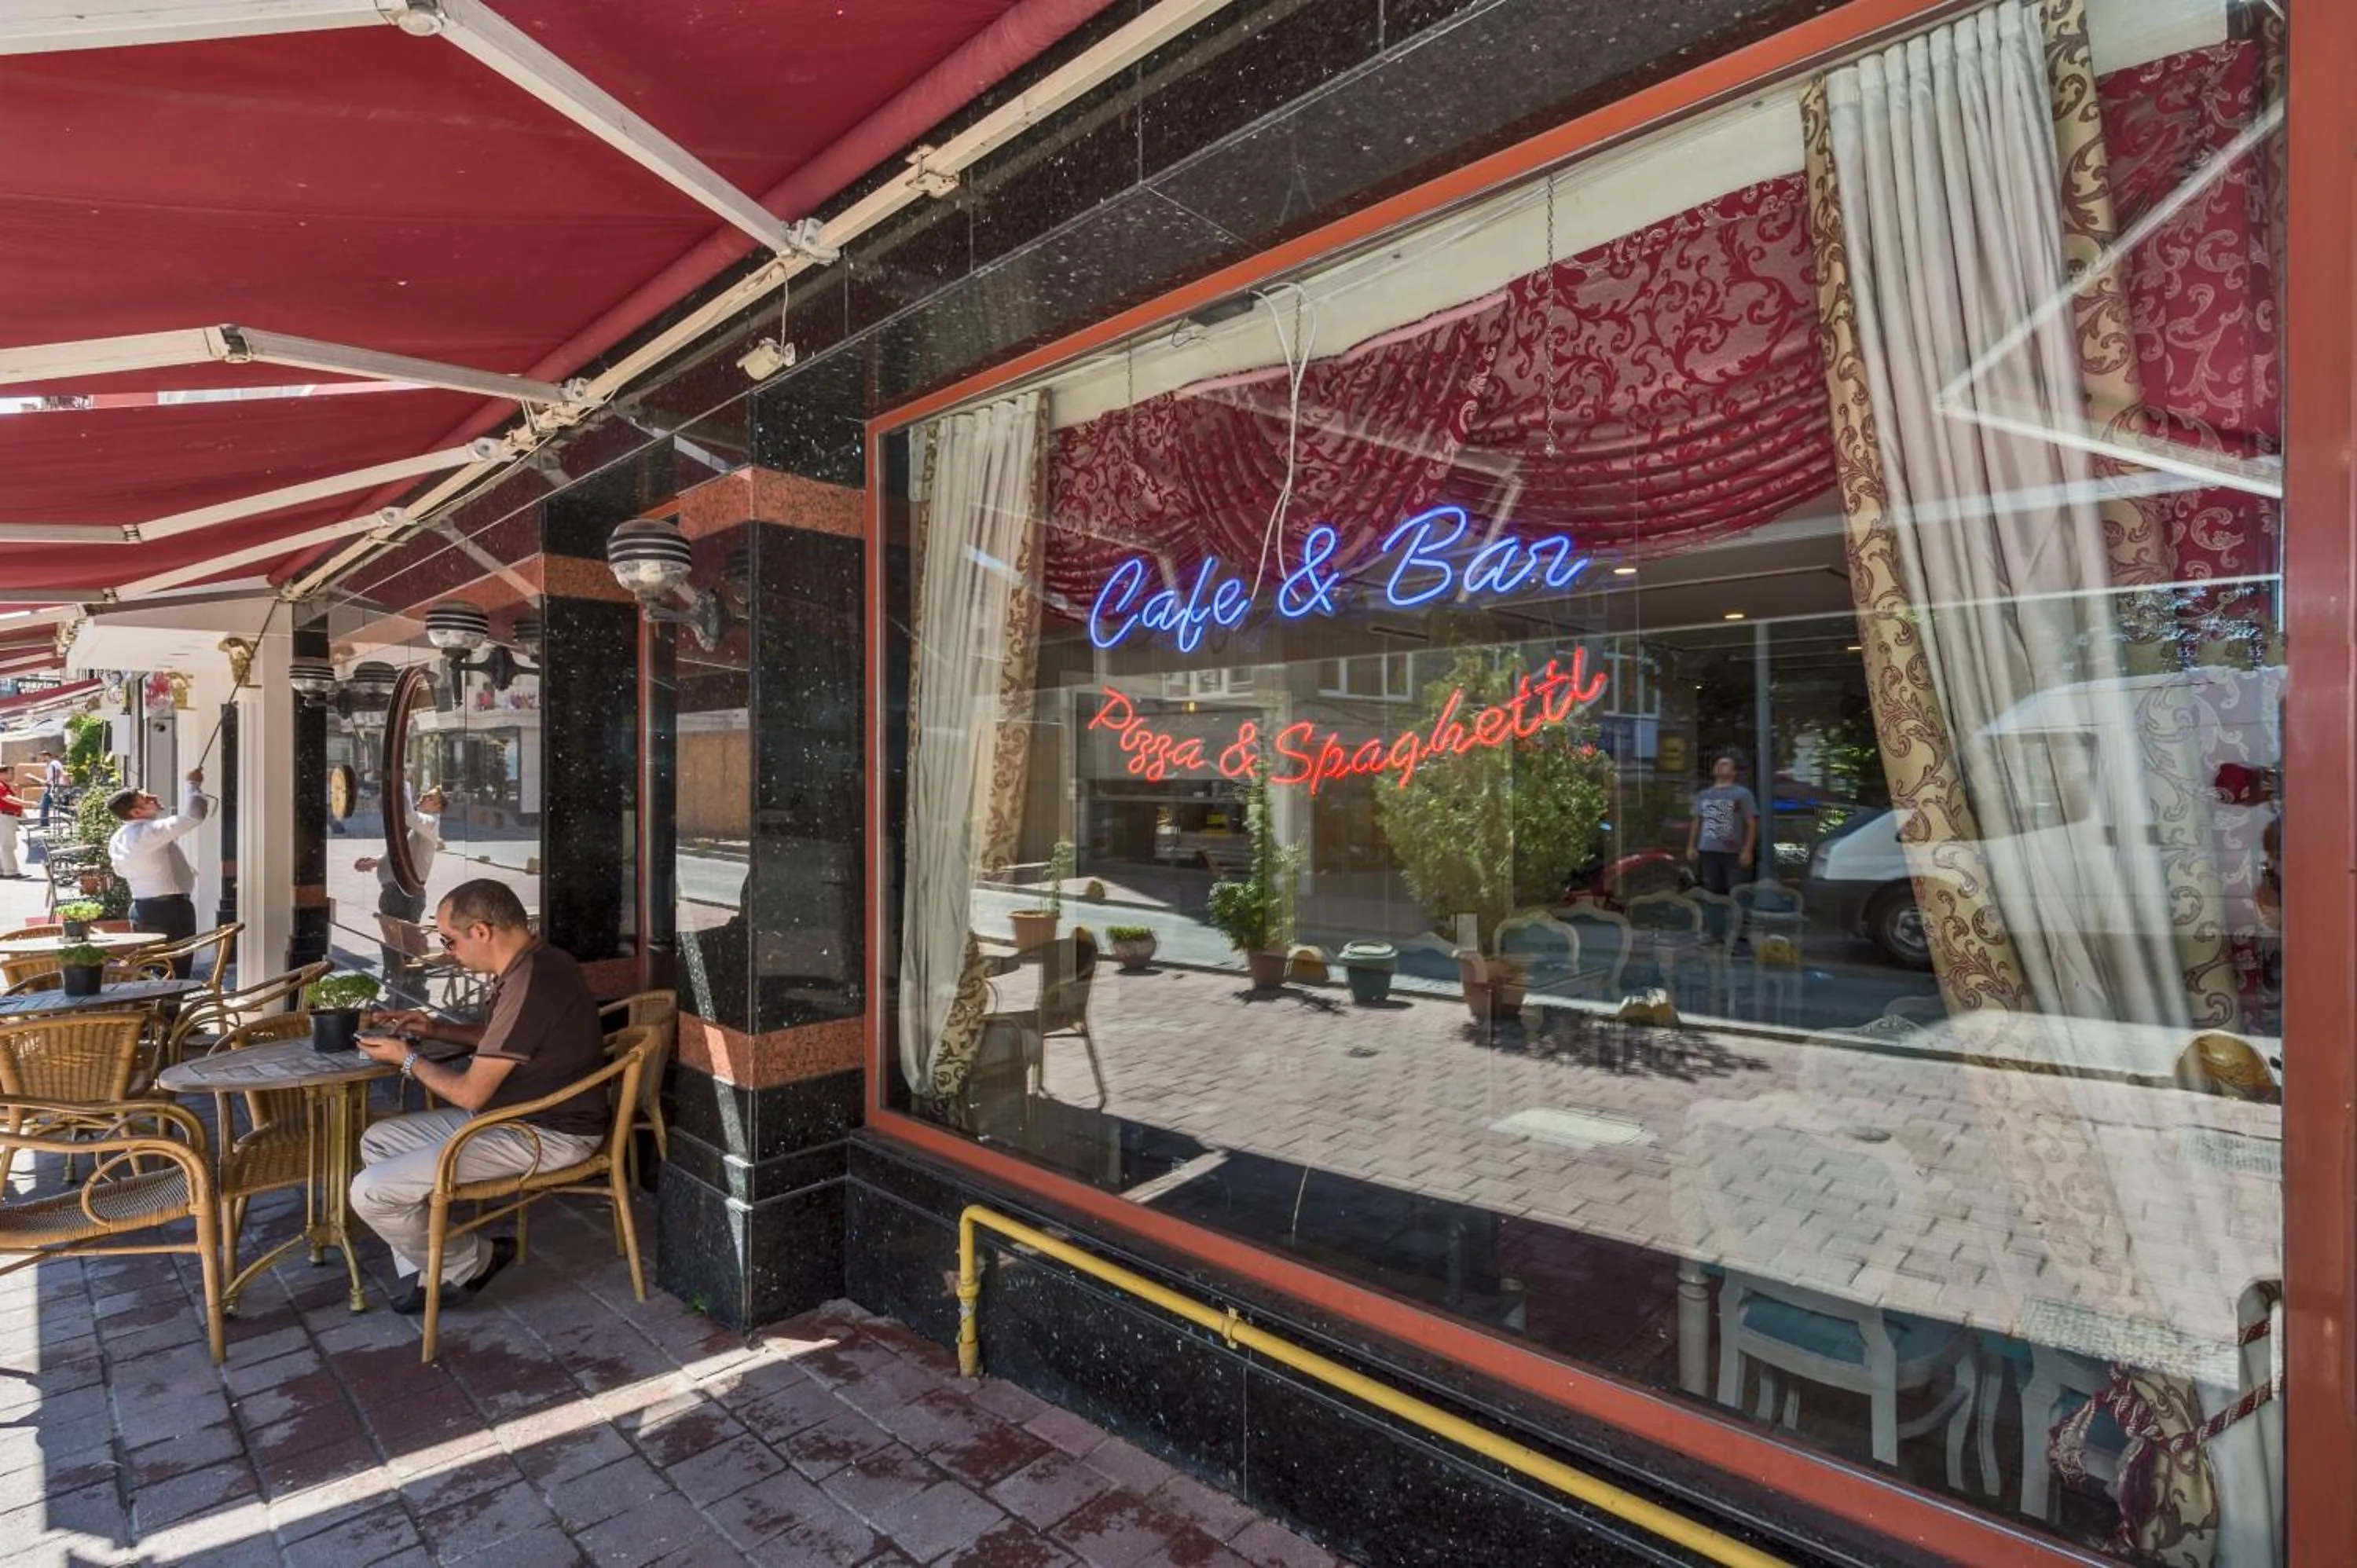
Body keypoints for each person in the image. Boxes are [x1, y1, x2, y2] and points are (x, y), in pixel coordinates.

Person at [351, 878, 606, 1313]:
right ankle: (437, 1269)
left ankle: (470, 1261)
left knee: (369, 1191)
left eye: (450, 940)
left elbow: (470, 1091)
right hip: (516, 1117)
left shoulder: (531, 982)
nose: (449, 951)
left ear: (483, 931)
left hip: (547, 1133)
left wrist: (406, 1059)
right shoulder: (538, 962)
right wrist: (434, 1029)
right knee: (378, 1141)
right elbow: (504, 1038)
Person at [106, 770, 210, 975]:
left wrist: (180, 872)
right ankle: (169, 1008)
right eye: (145, 798)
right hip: (170, 912)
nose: (153, 797)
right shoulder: (150, 832)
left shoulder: (118, 838)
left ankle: (153, 1008)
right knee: (174, 973)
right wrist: (193, 784)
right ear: (136, 812)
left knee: (151, 973)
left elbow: (120, 871)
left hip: (142, 909)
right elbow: (194, 815)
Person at [355, 786, 445, 992]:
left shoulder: (429, 823)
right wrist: (376, 862)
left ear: (438, 806)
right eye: (424, 794)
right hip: (395, 892)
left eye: (429, 797)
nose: (423, 797)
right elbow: (402, 856)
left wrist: (401, 783)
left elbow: (407, 815)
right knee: (397, 943)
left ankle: (412, 985)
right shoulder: (418, 828)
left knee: (405, 944)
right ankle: (402, 981)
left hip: (403, 893)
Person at [1685, 753, 1758, 896]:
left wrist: (1747, 850)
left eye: (1725, 764)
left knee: (1736, 890)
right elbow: (1697, 821)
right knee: (1710, 890)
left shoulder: (1742, 794)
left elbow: (1751, 823)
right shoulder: (1703, 795)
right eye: (1718, 764)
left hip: (1733, 851)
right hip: (1708, 849)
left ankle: (1736, 917)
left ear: (1733, 772)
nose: (1719, 766)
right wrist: (1691, 846)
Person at [0, 771, 22, 879]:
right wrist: (26, 803)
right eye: (8, 773)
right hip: (5, 816)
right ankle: (10, 871)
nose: (11, 775)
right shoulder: (1, 786)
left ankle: (3, 869)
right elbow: (7, 798)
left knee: (5, 844)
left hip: (7, 815)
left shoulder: (5, 786)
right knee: (8, 845)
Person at [38, 751, 64, 833]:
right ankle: (44, 822)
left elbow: (58, 773)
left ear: (47, 756)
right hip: (50, 785)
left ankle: (44, 823)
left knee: (45, 803)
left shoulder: (54, 763)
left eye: (43, 756)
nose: (42, 758)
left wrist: (48, 781)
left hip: (55, 786)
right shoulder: (47, 765)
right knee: (45, 803)